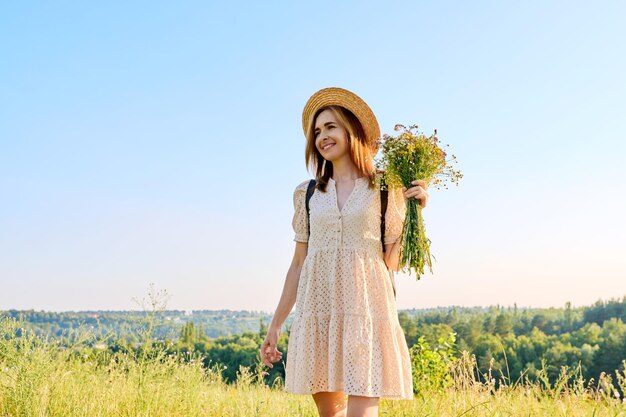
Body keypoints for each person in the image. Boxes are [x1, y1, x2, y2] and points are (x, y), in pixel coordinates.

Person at [260, 87, 429, 417]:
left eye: (331, 127)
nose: (323, 136)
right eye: (318, 131)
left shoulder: (385, 187)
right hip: (319, 312)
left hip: (366, 311)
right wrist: (276, 324)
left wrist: (415, 212)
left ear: (352, 130)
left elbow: (390, 262)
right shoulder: (307, 193)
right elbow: (298, 264)